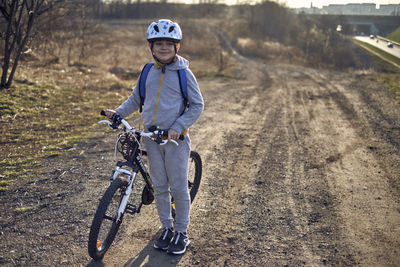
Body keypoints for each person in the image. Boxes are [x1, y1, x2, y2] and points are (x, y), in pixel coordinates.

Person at [104, 19, 204, 255]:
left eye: (169, 44)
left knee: (178, 187)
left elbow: (197, 106)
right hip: (150, 137)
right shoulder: (148, 70)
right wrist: (118, 113)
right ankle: (167, 228)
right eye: (158, 44)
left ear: (177, 47)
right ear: (151, 47)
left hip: (175, 140)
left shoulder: (184, 74)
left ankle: (181, 232)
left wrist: (178, 126)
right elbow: (135, 100)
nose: (163, 48)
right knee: (160, 186)